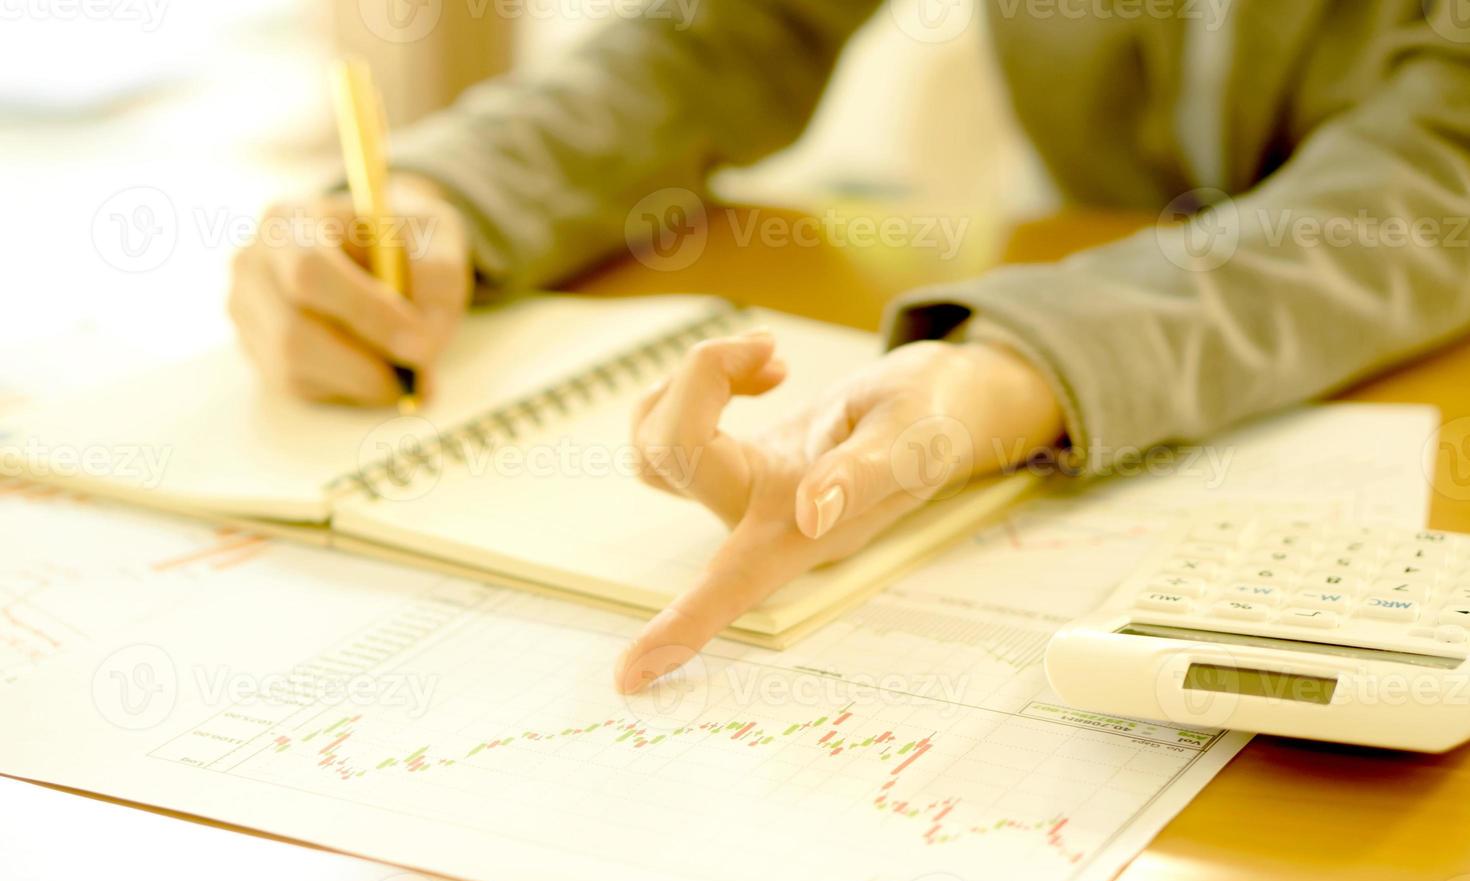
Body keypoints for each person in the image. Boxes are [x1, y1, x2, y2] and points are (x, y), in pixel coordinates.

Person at [227, 1, 1470, 693]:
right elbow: (732, 31)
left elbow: (1435, 172)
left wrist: (1008, 372)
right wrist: (444, 193)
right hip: (1116, 296)